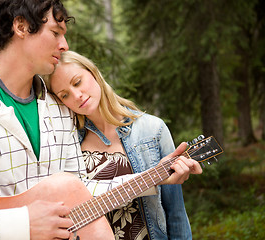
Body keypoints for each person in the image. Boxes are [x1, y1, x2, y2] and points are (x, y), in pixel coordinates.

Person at [0, 1, 200, 239]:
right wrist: (19, 226)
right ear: (21, 27)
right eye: (56, 32)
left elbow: (80, 192)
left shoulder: (58, 110)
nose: (65, 45)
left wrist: (152, 176)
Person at [43, 50, 202, 240]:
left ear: (94, 73)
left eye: (78, 82)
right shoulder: (69, 143)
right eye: (64, 95)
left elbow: (175, 214)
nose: (76, 95)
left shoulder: (153, 130)